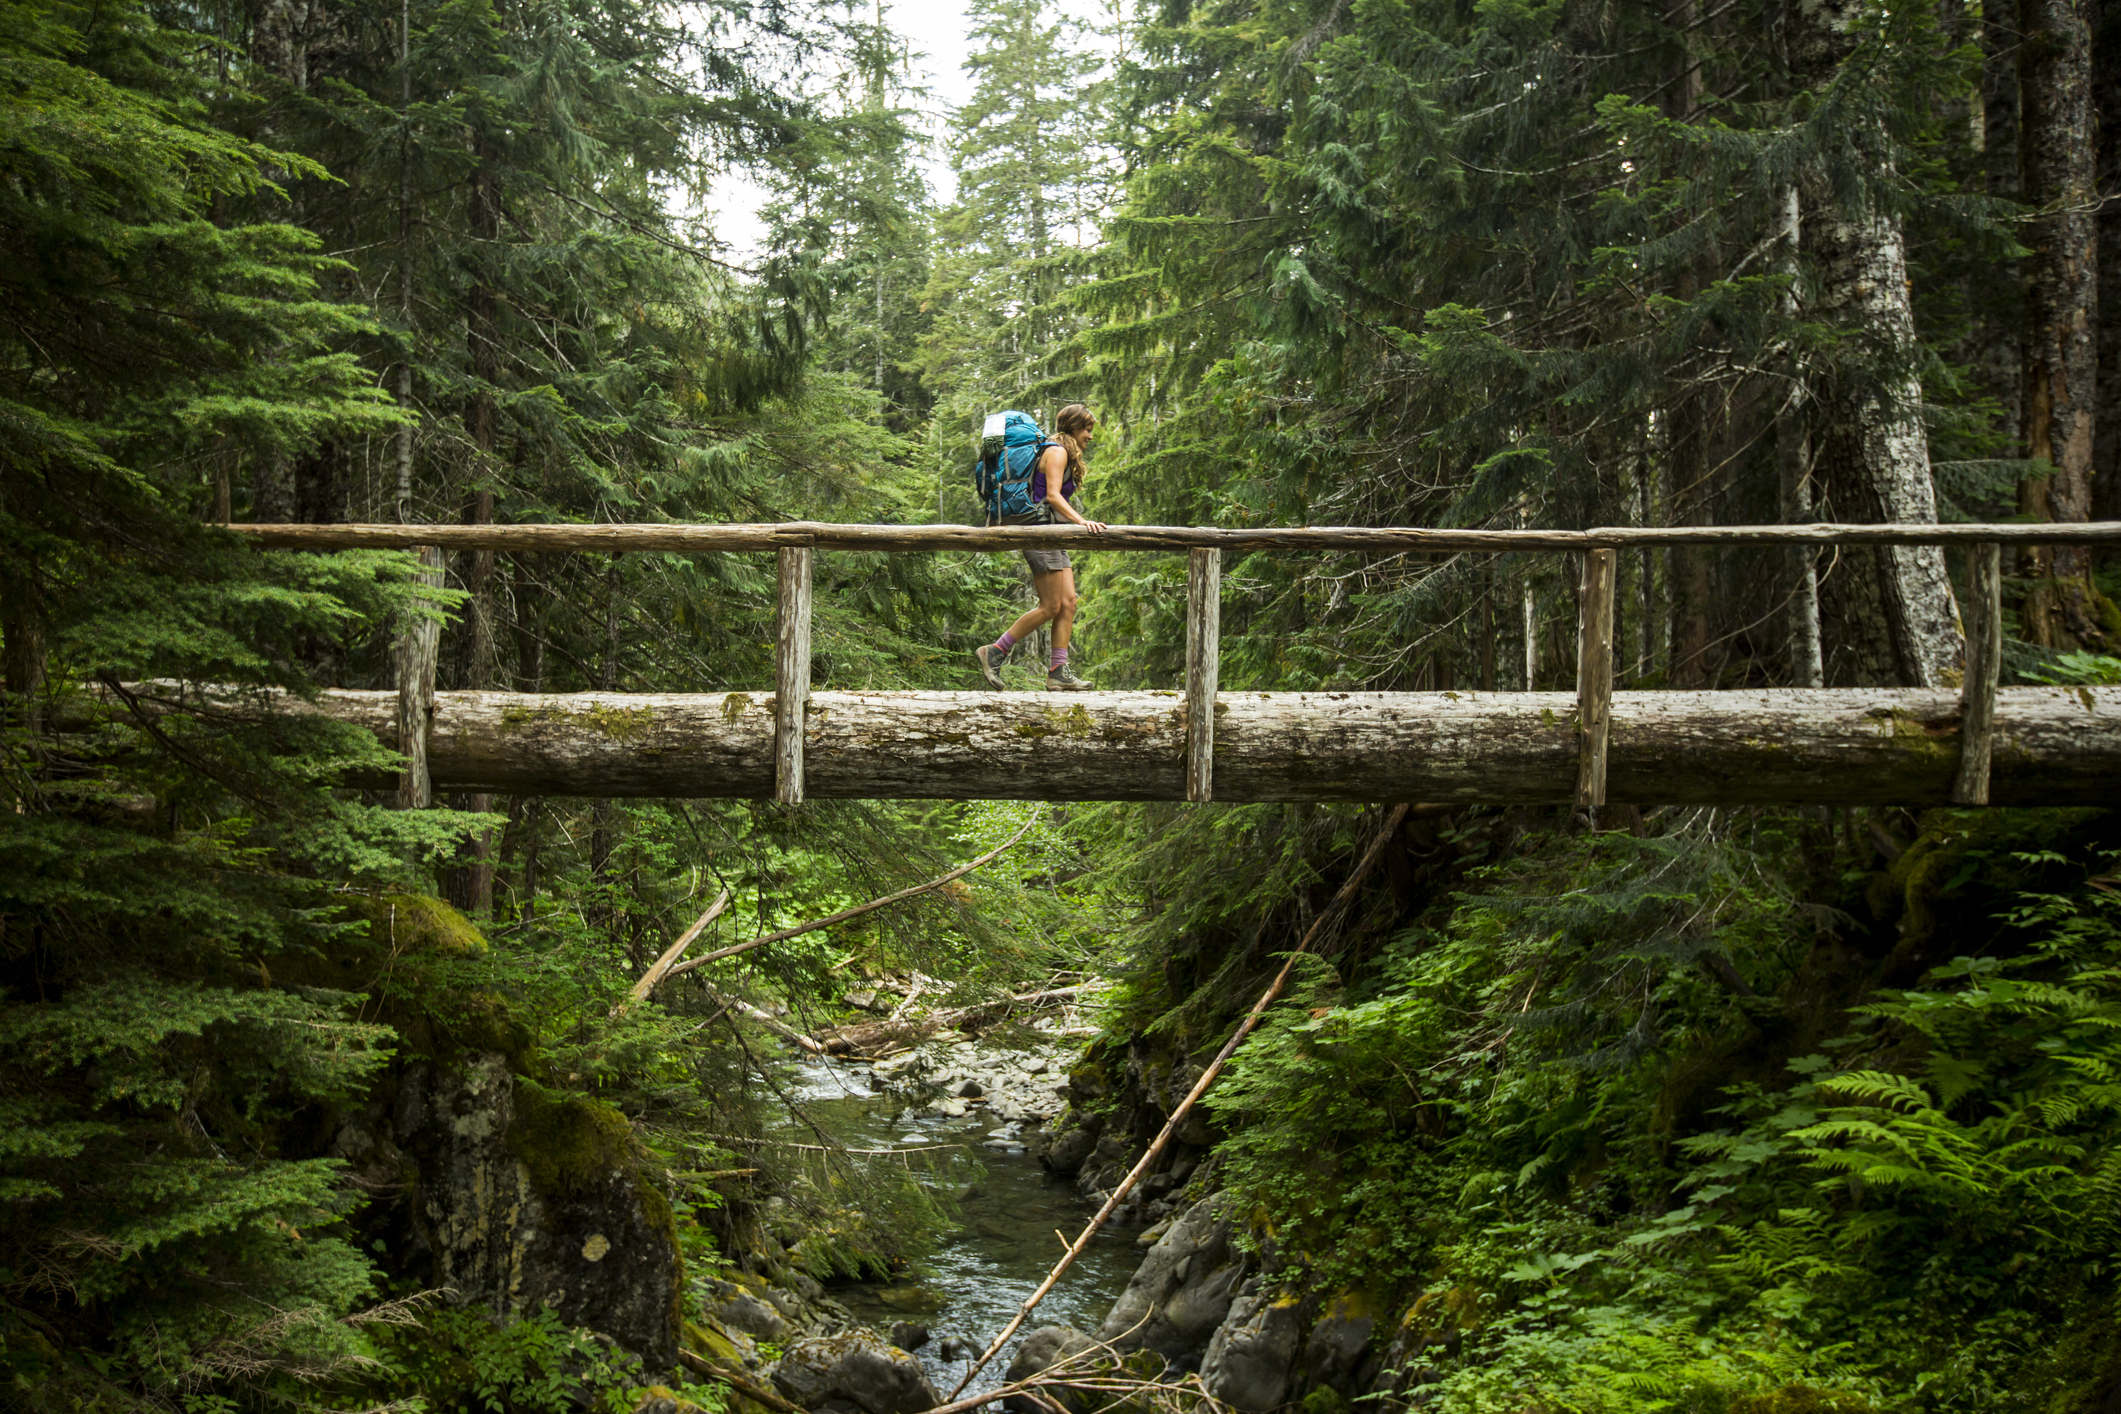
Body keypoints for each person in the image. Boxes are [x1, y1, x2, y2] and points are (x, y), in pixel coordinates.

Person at [974, 403, 1107, 691]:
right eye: (1087, 429)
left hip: (1052, 532)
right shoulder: (1056, 451)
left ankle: (1058, 671)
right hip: (1039, 533)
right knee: (1050, 606)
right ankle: (995, 651)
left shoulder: (1060, 452)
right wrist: (1084, 523)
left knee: (1068, 602)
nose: (1090, 436)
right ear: (1072, 427)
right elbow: (1053, 497)